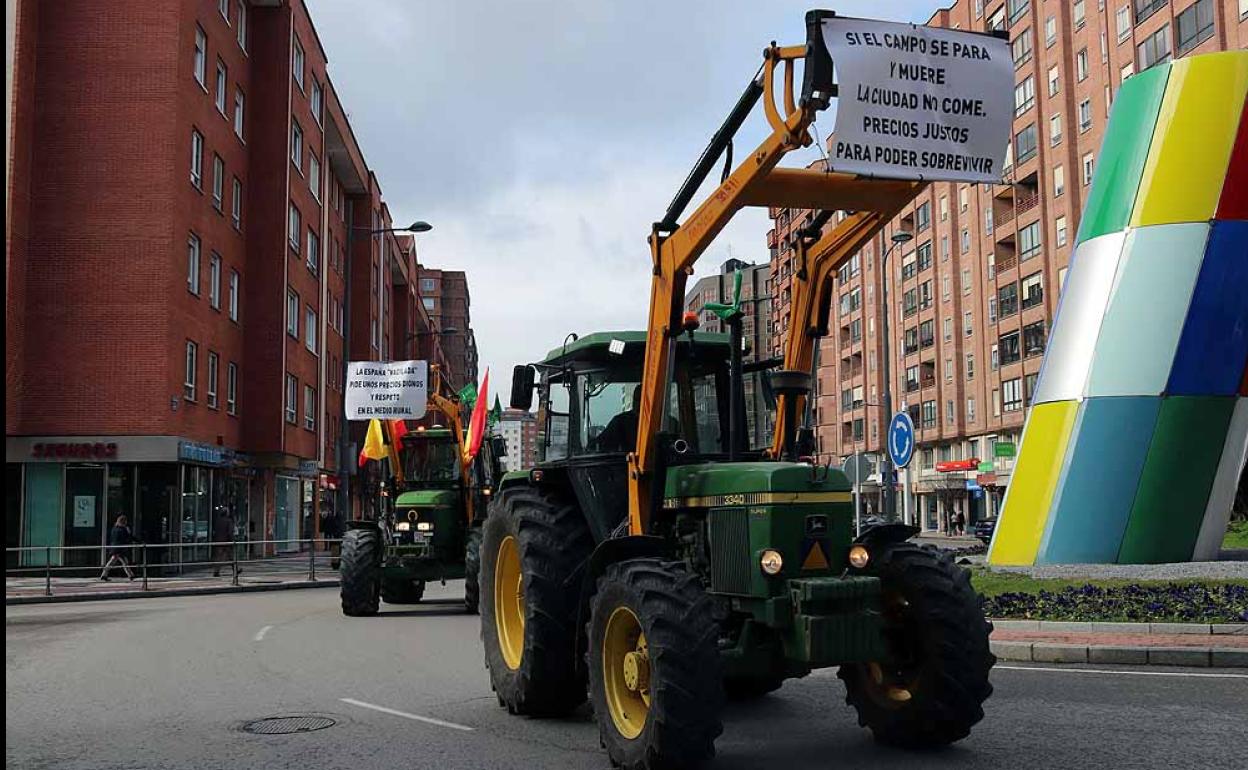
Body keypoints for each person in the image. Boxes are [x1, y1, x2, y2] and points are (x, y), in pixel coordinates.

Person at [100, 515, 136, 581]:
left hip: (114, 547)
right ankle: (131, 575)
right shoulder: (123, 529)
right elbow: (128, 538)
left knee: (116, 561)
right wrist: (129, 532)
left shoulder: (114, 528)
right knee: (123, 562)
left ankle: (104, 575)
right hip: (119, 548)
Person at [211, 506, 240, 578]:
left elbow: (215, 531)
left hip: (218, 540)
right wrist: (233, 540)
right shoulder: (229, 521)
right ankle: (235, 570)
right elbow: (230, 532)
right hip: (226, 541)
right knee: (231, 556)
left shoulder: (218, 521)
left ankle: (216, 571)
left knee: (218, 557)